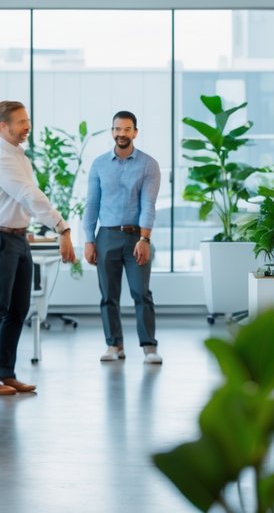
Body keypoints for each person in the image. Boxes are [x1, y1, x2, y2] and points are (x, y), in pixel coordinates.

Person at [0, 100, 75, 396]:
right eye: (21, 122)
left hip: (18, 239)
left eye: (27, 120)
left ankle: (7, 373)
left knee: (18, 310)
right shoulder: (0, 159)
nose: (27, 126)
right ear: (3, 126)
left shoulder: (19, 156)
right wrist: (62, 227)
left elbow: (28, 198)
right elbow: (29, 195)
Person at [84, 111, 162, 365]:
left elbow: (148, 204)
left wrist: (145, 239)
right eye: (117, 129)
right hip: (106, 235)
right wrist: (88, 240)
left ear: (135, 132)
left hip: (136, 237)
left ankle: (149, 347)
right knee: (108, 295)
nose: (121, 134)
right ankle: (114, 344)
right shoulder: (99, 164)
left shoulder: (148, 165)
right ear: (112, 132)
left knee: (141, 293)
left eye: (127, 129)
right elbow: (92, 205)